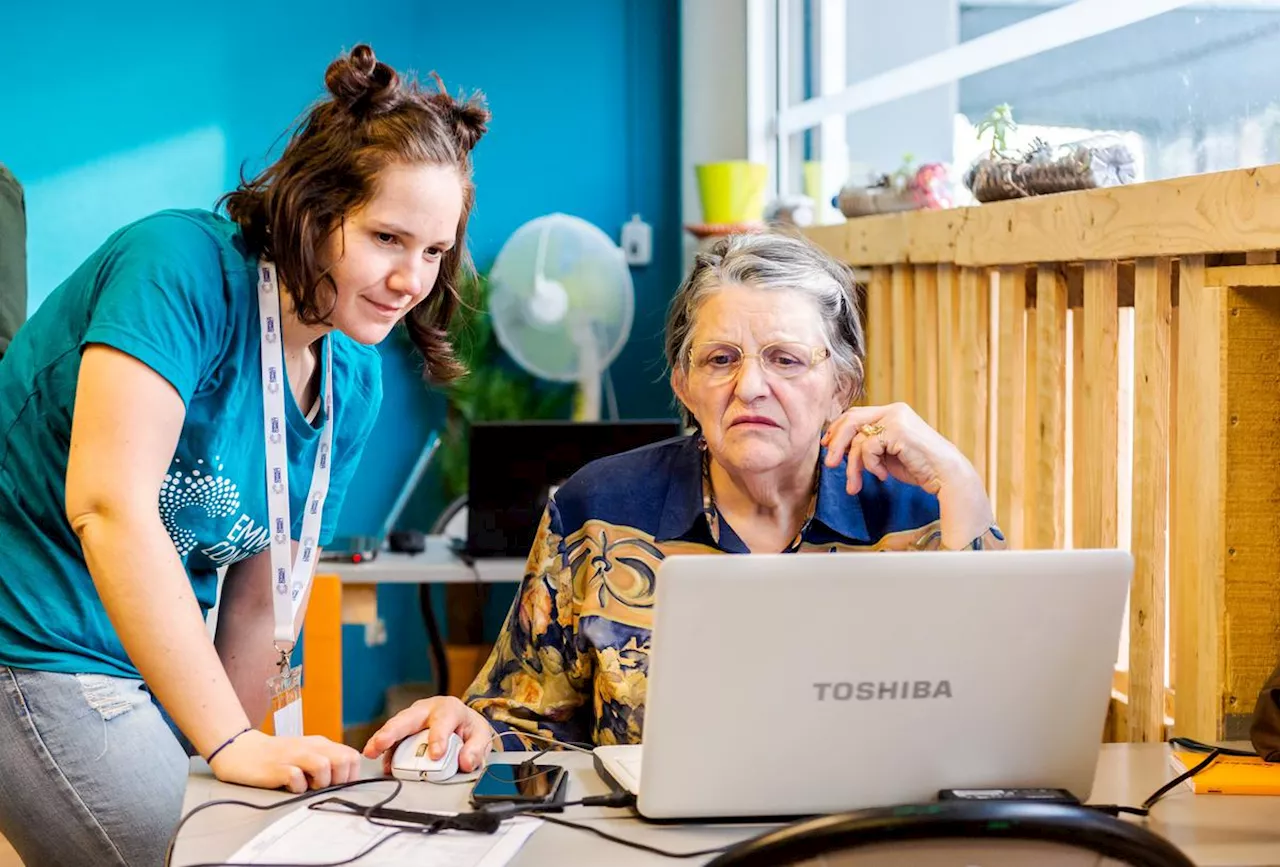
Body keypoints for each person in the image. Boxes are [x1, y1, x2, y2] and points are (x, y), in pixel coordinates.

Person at [0, 44, 488, 865]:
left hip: (141, 657)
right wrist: (225, 740)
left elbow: (263, 601)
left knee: (256, 840)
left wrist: (251, 762)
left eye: (434, 251)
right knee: (169, 843)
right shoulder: (176, 267)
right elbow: (108, 507)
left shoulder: (352, 378)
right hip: (30, 630)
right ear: (312, 206)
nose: (412, 279)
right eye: (388, 237)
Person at [362, 231, 1005, 768]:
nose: (750, 386)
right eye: (721, 359)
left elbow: (995, 711)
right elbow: (522, 724)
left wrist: (962, 486)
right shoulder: (597, 509)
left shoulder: (919, 510)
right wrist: (465, 724)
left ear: (842, 386)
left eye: (785, 359)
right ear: (684, 385)